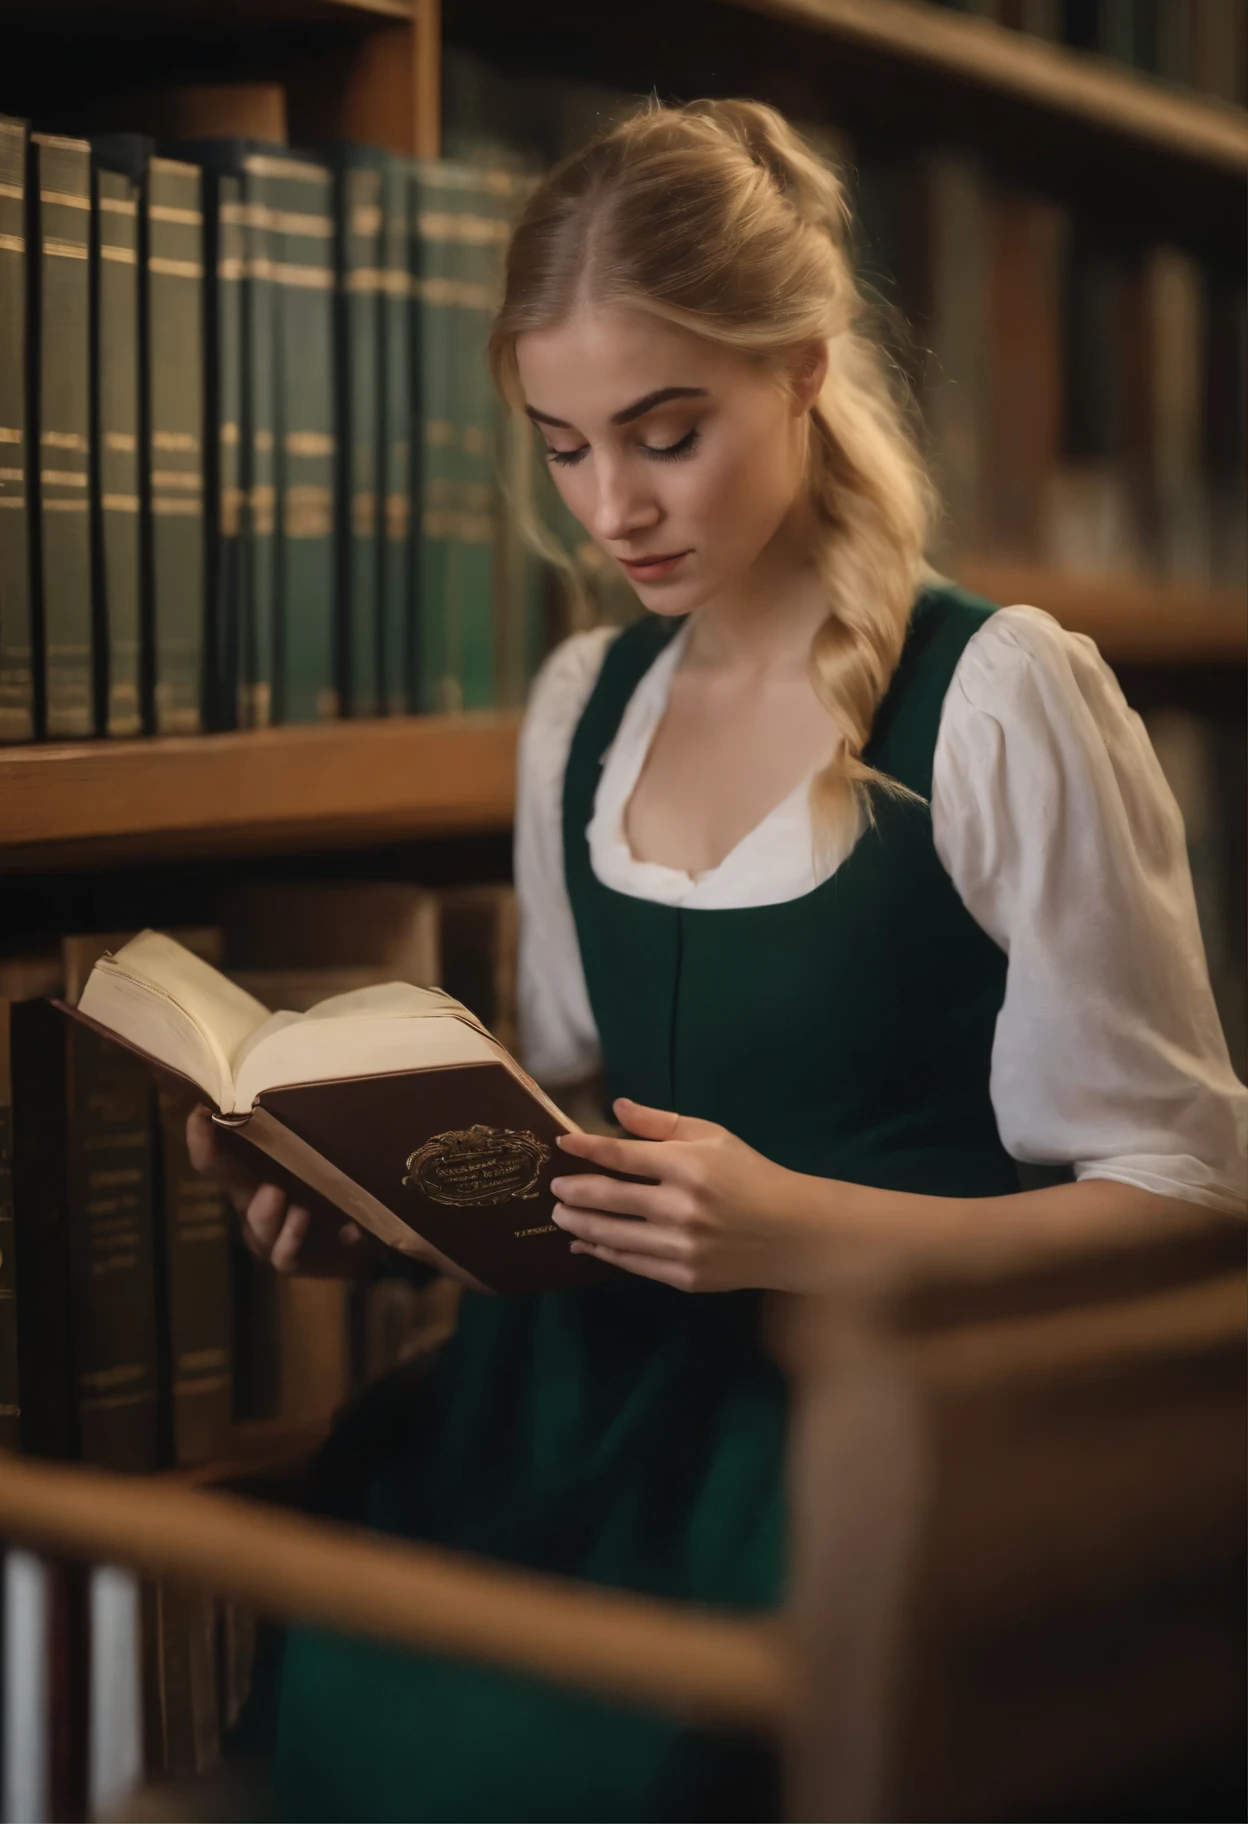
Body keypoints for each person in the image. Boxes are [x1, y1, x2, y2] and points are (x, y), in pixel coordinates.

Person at [189, 97, 1247, 1822]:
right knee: (350, 1696)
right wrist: (377, 1213)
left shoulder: (1001, 699)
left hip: (869, 1445)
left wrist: (791, 1230)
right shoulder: (575, 717)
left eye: (667, 433)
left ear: (807, 371)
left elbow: (1191, 1203)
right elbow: (582, 1141)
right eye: (564, 446)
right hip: (573, 1425)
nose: (615, 507)